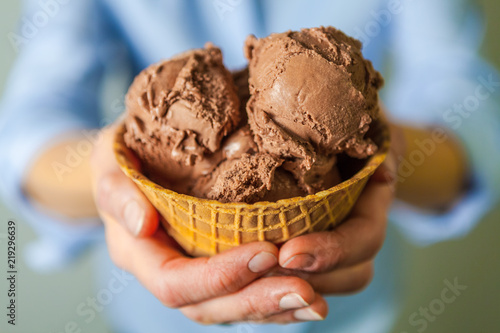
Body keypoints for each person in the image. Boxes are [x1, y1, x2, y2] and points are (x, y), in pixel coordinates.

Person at [1, 0, 499, 332]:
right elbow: (31, 121)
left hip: (349, 316)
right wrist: (99, 170)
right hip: (152, 316)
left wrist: (390, 152)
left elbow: (467, 97)